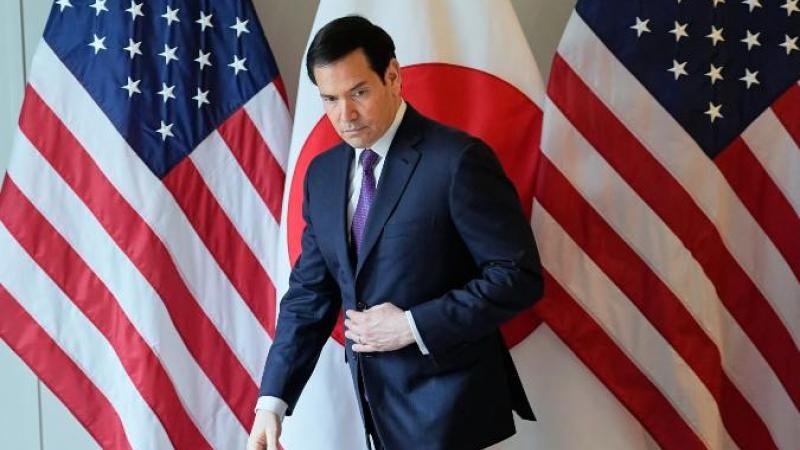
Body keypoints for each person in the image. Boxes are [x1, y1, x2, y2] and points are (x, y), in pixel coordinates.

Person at [247, 15, 543, 450]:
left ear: (392, 76)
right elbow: (310, 295)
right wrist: (271, 404)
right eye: (330, 99)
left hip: (452, 408)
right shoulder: (323, 175)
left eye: (359, 93)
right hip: (374, 410)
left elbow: (518, 276)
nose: (345, 115)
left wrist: (412, 325)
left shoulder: (458, 160)